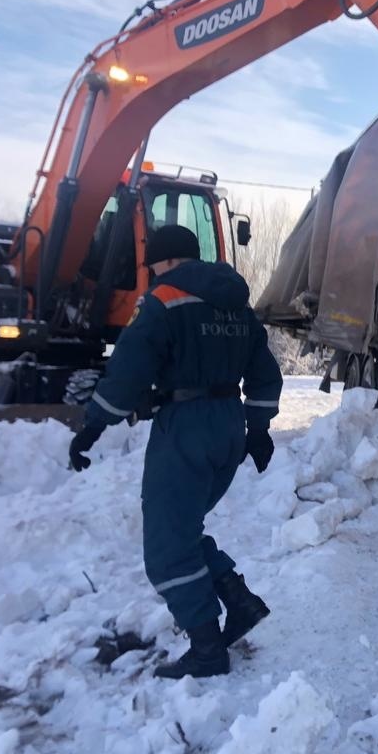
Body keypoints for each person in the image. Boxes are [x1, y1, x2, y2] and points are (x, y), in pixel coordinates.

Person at [68, 224, 283, 679]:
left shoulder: (163, 301)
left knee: (167, 548)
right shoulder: (236, 305)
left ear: (163, 261)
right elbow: (265, 372)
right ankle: (238, 600)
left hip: (186, 428)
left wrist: (92, 426)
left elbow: (127, 371)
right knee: (182, 529)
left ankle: (206, 647)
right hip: (228, 427)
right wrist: (258, 428)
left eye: (153, 266)